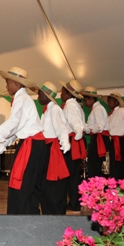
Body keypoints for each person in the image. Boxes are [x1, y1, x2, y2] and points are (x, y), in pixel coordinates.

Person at [0, 66, 47, 215]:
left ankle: (19, 217)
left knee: (22, 184)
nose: (6, 86)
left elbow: (15, 122)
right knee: (31, 185)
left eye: (8, 82)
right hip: (35, 143)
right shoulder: (23, 98)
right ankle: (30, 216)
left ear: (17, 84)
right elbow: (19, 128)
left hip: (31, 144)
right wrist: (4, 142)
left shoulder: (22, 98)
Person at [37, 81, 70, 215]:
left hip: (53, 149)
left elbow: (61, 128)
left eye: (39, 94)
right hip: (46, 148)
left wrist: (64, 142)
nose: (38, 96)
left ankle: (54, 212)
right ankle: (48, 211)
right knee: (46, 184)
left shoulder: (54, 109)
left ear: (46, 95)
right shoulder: (46, 111)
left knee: (52, 183)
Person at [59, 79, 87, 212]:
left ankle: (73, 202)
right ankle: (75, 202)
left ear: (67, 93)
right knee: (74, 174)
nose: (60, 93)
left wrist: (78, 131)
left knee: (69, 174)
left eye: (62, 90)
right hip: (75, 140)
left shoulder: (70, 106)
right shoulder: (76, 105)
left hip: (72, 140)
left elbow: (75, 122)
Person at [82, 86, 110, 178]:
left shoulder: (98, 109)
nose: (85, 103)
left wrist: (88, 130)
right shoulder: (95, 109)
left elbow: (99, 127)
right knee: (93, 164)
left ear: (91, 98)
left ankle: (97, 186)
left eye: (86, 100)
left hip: (100, 138)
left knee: (94, 164)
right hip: (98, 137)